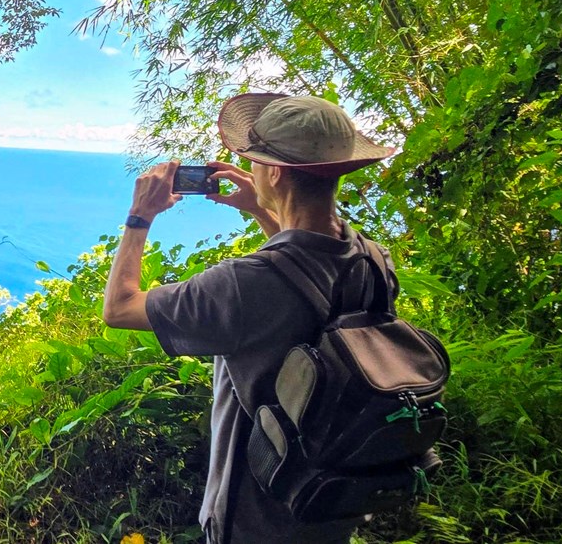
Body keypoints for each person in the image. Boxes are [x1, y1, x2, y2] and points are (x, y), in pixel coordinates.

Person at [101, 93, 399, 544]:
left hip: (254, 515)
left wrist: (139, 217)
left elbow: (120, 308)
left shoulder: (244, 284)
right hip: (334, 499)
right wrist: (264, 208)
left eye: (256, 160)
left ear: (274, 171)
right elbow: (305, 284)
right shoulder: (374, 260)